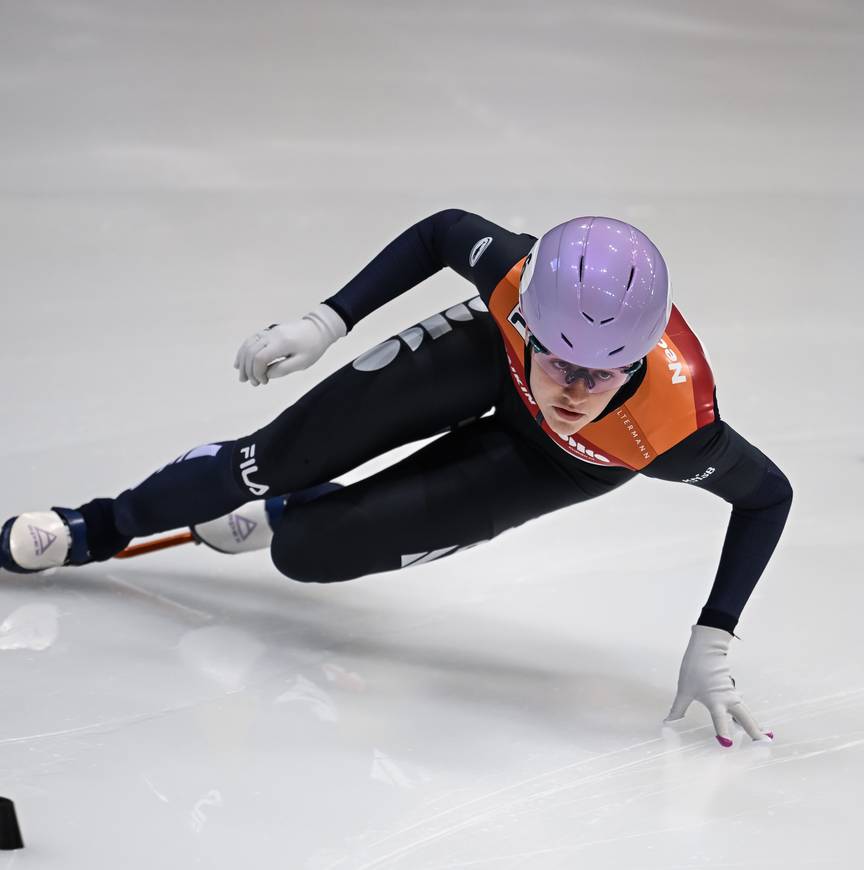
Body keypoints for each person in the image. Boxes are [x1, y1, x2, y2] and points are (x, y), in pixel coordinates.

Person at [1, 211, 792, 747]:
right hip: (479, 361)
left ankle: (285, 515)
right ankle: (91, 528)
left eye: (604, 373)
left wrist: (712, 636)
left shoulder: (675, 426)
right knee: (271, 456)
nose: (574, 393)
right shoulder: (515, 277)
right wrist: (328, 319)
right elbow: (442, 233)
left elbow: (767, 497)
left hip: (551, 468)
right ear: (522, 318)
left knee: (308, 552)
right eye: (558, 358)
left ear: (641, 357)